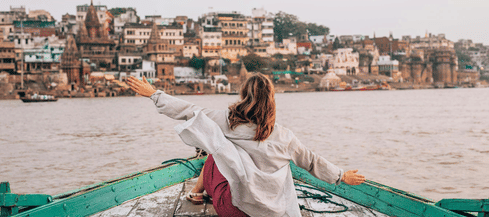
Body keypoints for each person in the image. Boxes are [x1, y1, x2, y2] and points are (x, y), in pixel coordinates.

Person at [127, 73, 365, 217]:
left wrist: (154, 94)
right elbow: (311, 161)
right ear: (271, 100)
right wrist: (342, 175)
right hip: (274, 213)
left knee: (215, 153)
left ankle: (195, 193)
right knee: (276, 164)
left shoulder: (225, 121)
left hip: (233, 210)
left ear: (243, 96)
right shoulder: (284, 136)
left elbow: (189, 111)